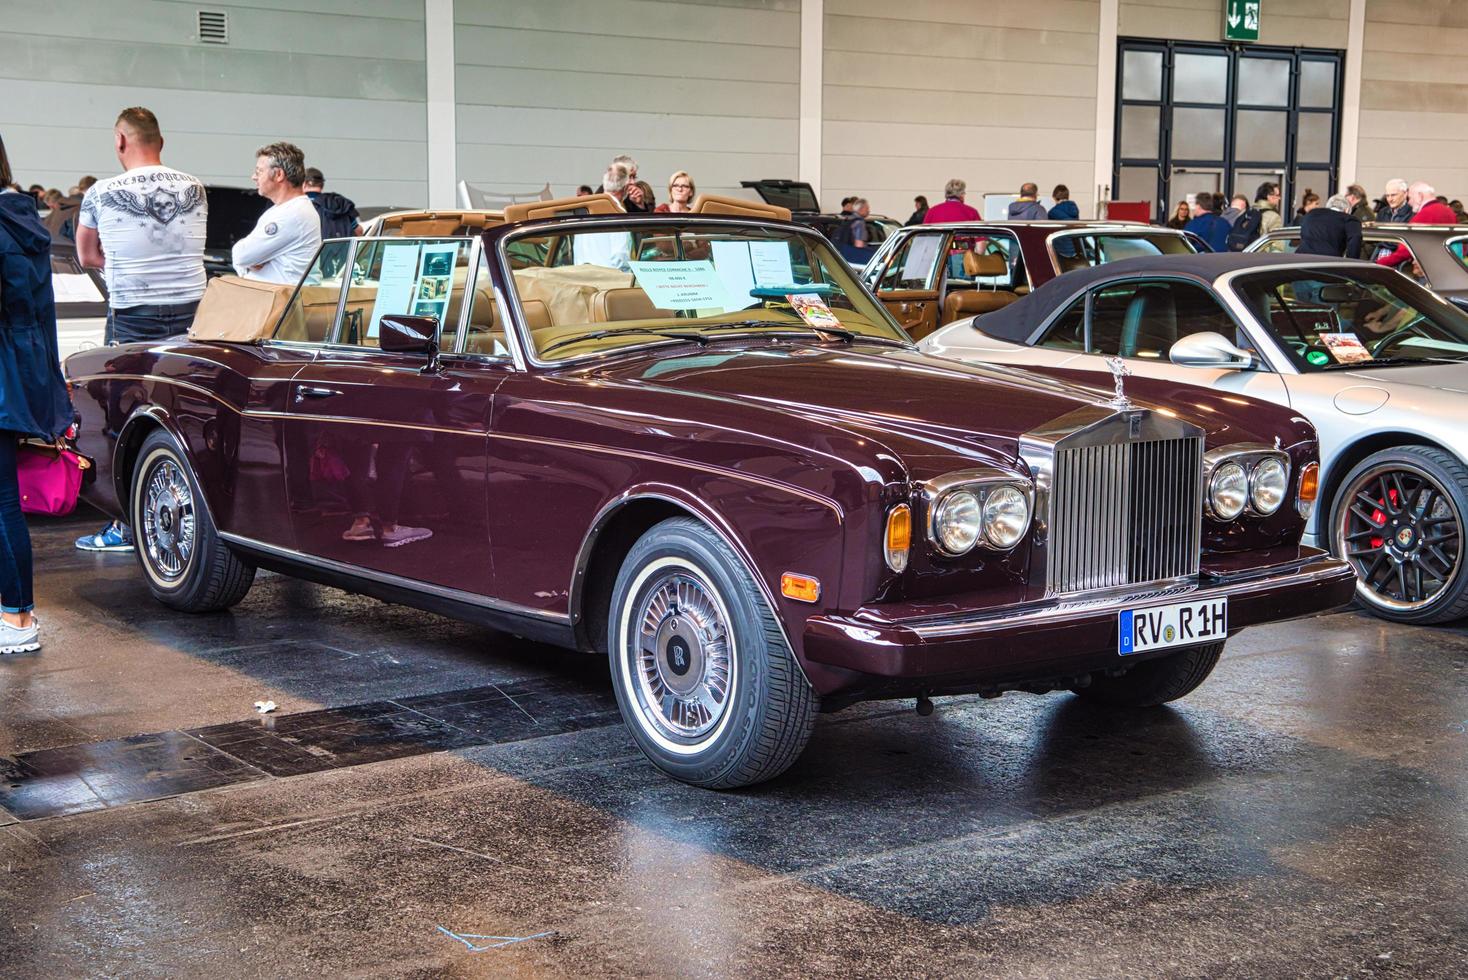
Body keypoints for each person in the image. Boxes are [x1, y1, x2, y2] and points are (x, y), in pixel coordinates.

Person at [75, 108, 209, 552]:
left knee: (123, 417)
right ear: (161, 140)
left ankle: (128, 525)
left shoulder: (102, 192)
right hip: (194, 310)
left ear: (119, 141)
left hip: (133, 312)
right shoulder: (194, 186)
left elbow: (88, 255)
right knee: (187, 412)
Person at [0, 136, 75, 652]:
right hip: (19, 373)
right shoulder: (23, 218)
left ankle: (17, 620)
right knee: (5, 503)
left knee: (2, 503)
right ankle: (18, 614)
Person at [232, 142, 322, 284]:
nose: (254, 177)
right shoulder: (279, 210)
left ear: (279, 174)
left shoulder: (293, 214)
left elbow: (241, 256)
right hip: (271, 299)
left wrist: (249, 260)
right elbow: (243, 256)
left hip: (281, 302)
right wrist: (248, 261)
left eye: (259, 171)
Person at [1376, 181, 1456, 268]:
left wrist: (1380, 263)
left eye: (1410, 198)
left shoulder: (1424, 215)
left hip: (1429, 267)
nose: (1409, 202)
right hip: (1449, 265)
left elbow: (1405, 251)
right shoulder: (1449, 212)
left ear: (1420, 196)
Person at [572, 164, 633, 270]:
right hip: (610, 283)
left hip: (582, 281)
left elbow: (578, 255)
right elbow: (620, 257)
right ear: (626, 188)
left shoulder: (585, 213)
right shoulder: (617, 213)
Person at [303, 168, 362, 238]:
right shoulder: (341, 203)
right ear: (322, 185)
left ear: (303, 184)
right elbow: (358, 231)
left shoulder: (301, 206)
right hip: (344, 248)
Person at [1297, 194, 1362, 258]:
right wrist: (1351, 262)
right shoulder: (1349, 219)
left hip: (1300, 262)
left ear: (1328, 207)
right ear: (1347, 210)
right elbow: (1356, 238)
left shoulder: (1310, 215)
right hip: (1329, 264)